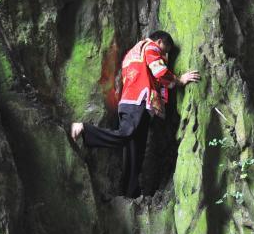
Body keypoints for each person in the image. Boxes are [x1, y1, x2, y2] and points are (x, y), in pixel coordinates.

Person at [70, 30, 200, 198]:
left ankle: (130, 192)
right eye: (165, 50)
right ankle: (85, 129)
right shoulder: (151, 47)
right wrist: (179, 80)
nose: (164, 55)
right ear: (159, 41)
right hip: (138, 101)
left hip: (132, 102)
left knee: (135, 150)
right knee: (125, 135)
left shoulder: (132, 53)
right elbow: (159, 71)